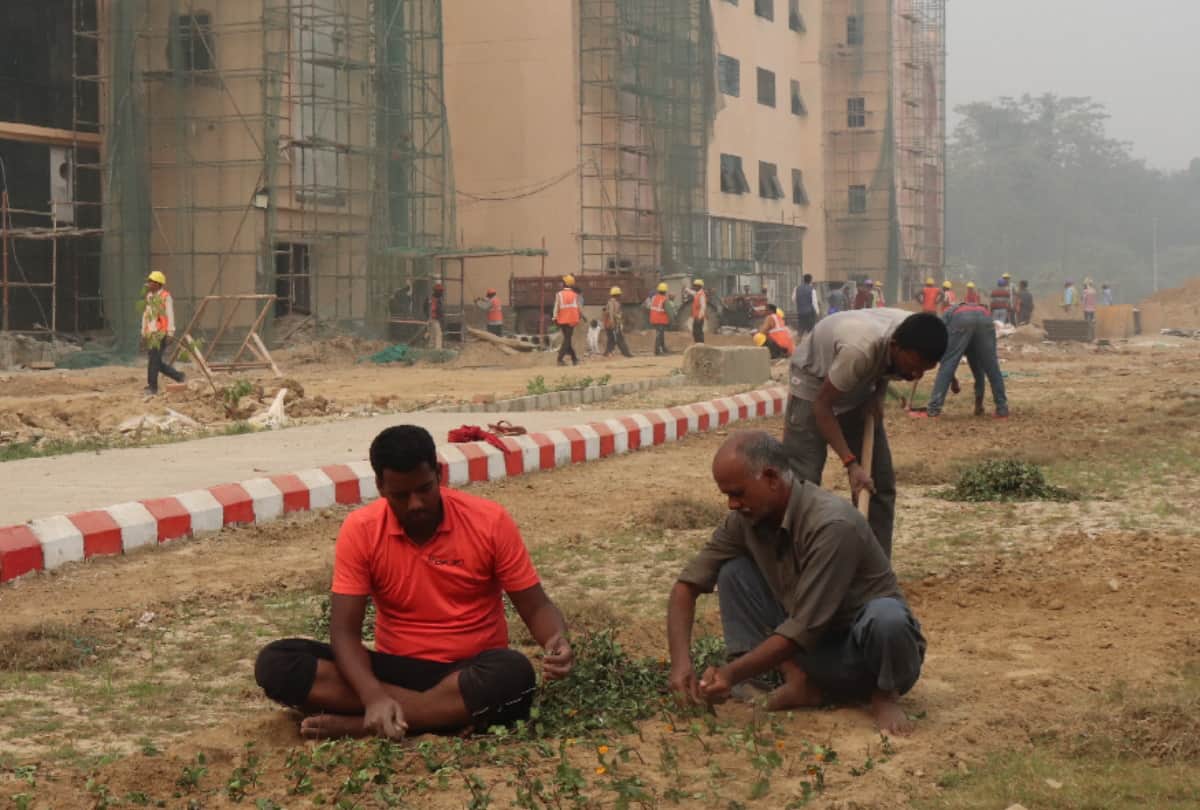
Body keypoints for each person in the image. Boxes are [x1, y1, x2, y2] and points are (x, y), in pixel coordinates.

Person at [254, 425, 574, 739]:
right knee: (278, 663)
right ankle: (435, 716)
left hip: (470, 671)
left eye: (424, 489)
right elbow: (344, 632)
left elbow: (536, 606)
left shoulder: (489, 521)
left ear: (440, 473)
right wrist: (373, 697)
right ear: (380, 486)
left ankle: (363, 725)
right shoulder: (362, 529)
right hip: (395, 672)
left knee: (515, 675)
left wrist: (555, 640)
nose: (416, 504)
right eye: (401, 495)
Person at [665, 432, 926, 734]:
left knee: (887, 617)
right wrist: (681, 664)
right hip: (812, 652)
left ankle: (884, 694)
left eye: (738, 493)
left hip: (865, 656)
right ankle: (799, 682)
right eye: (727, 496)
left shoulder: (833, 525)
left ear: (772, 478)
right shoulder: (744, 521)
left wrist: (729, 674)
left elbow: (804, 627)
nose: (732, 505)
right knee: (734, 573)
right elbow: (686, 586)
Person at [783, 309, 947, 559]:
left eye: (925, 370)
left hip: (859, 383)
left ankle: (874, 568)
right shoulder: (859, 350)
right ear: (895, 346)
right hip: (814, 384)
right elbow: (822, 406)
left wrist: (877, 394)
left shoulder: (915, 332)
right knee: (802, 483)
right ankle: (795, 565)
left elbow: (887, 363)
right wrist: (851, 463)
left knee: (879, 484)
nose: (916, 375)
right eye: (913, 367)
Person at [921, 301, 1009, 419]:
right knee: (991, 366)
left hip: (962, 320)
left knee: (948, 364)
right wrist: (953, 380)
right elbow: (978, 372)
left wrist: (953, 380)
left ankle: (933, 409)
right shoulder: (955, 314)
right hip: (985, 317)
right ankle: (1001, 409)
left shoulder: (944, 320)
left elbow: (946, 361)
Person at [141, 271, 186, 396]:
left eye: (151, 282)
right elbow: (145, 315)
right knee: (155, 361)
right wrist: (143, 332)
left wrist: (170, 332)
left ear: (158, 284)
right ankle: (179, 376)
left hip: (161, 333)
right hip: (151, 333)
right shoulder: (149, 297)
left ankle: (152, 387)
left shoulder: (166, 297)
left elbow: (170, 315)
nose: (149, 284)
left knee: (153, 361)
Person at [553, 275, 581, 366]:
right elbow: (578, 308)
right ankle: (560, 359)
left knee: (567, 339)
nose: (561, 283)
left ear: (565, 283)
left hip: (561, 320)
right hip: (571, 321)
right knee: (567, 339)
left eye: (563, 282)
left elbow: (556, 306)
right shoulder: (575, 295)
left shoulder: (559, 294)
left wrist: (554, 317)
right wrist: (580, 317)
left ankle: (574, 359)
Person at [602, 287, 633, 358]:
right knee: (619, 339)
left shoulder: (611, 302)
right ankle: (626, 353)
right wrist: (613, 323)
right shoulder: (613, 303)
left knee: (612, 339)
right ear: (617, 295)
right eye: (619, 294)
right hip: (613, 324)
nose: (620, 296)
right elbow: (612, 313)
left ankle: (607, 353)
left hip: (611, 324)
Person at [648, 282, 671, 356]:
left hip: (653, 319)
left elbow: (649, 306)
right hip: (660, 319)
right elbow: (669, 311)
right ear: (665, 291)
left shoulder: (655, 297)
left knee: (661, 334)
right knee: (659, 335)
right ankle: (657, 351)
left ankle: (664, 348)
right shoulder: (664, 299)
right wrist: (672, 320)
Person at [427, 283, 445, 350]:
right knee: (438, 334)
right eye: (440, 291)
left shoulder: (432, 298)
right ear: (436, 291)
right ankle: (438, 350)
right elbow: (438, 310)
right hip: (434, 319)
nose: (441, 293)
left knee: (432, 335)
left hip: (432, 319)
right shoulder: (435, 299)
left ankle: (430, 349)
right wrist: (441, 317)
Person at [690, 279, 708, 344]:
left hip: (699, 317)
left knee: (698, 332)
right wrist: (686, 289)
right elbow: (692, 292)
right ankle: (698, 345)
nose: (694, 287)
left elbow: (703, 307)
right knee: (695, 332)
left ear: (699, 286)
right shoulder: (697, 293)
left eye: (695, 286)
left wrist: (699, 317)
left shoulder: (701, 295)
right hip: (696, 317)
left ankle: (700, 345)